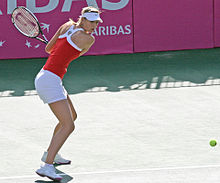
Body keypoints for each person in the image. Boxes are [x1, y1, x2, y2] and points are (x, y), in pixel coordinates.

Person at [35, 6, 103, 181]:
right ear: (83, 19)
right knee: (68, 125)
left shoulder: (66, 26)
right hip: (50, 80)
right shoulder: (88, 39)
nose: (95, 25)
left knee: (71, 116)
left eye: (97, 22)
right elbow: (73, 55)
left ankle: (51, 153)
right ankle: (47, 166)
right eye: (92, 21)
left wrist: (61, 48)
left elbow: (49, 49)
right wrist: (63, 50)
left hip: (49, 77)